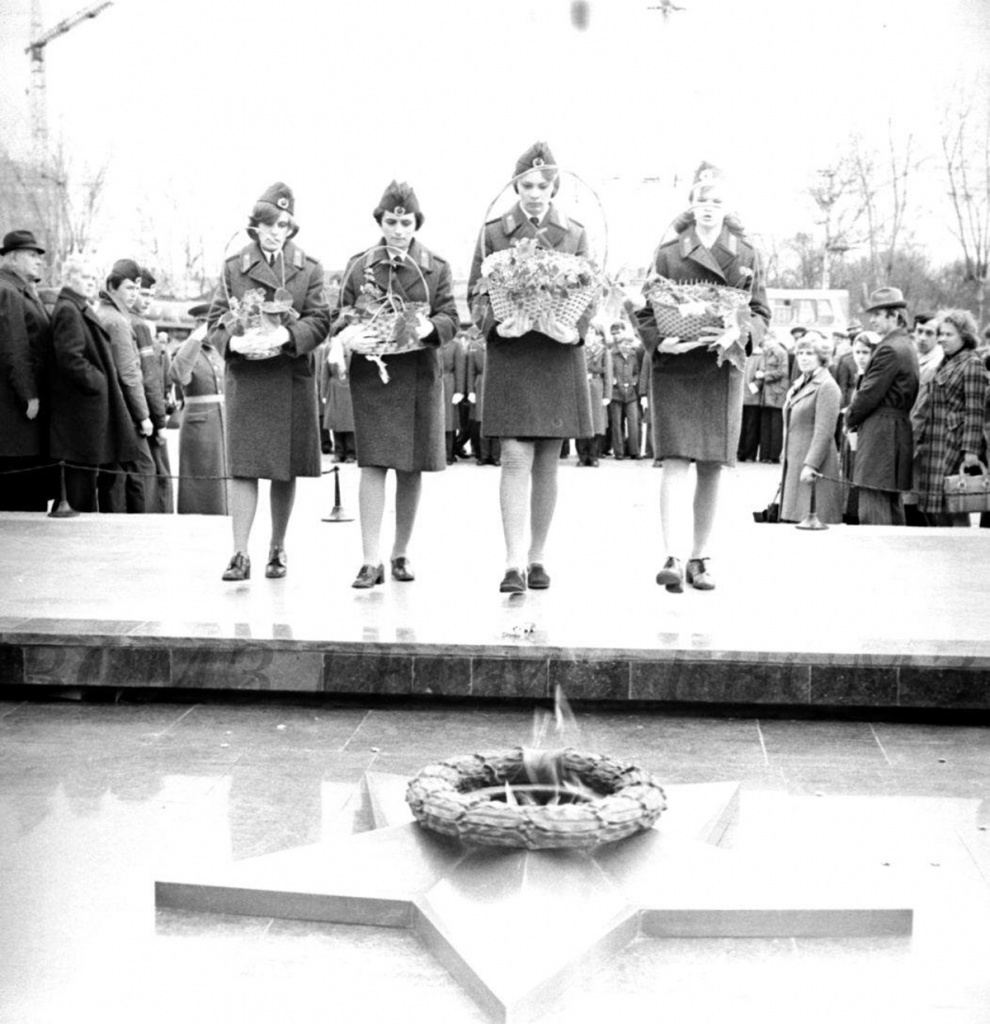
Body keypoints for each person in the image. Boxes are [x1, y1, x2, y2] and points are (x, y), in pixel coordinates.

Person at [634, 162, 770, 592]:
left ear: (727, 206)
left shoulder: (747, 254)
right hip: (676, 368)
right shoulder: (669, 252)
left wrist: (742, 332)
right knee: (673, 462)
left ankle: (700, 557)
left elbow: (762, 312)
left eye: (717, 201)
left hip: (720, 368)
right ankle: (672, 556)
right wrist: (659, 341)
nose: (709, 208)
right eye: (701, 200)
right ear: (690, 205)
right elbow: (646, 309)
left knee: (712, 466)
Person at [467, 141, 595, 592]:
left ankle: (539, 556)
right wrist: (496, 328)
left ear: (555, 185)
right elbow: (476, 293)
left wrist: (574, 329)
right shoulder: (493, 231)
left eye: (543, 184)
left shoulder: (575, 232)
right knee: (514, 455)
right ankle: (512, 561)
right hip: (514, 353)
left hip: (556, 354)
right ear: (516, 185)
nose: (535, 192)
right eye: (527, 184)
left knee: (548, 460)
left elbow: (589, 290)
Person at [335, 181, 458, 588]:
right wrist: (347, 337)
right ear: (380, 221)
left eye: (406, 221)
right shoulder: (359, 266)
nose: (399, 229)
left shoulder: (435, 267)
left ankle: (401, 552)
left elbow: (451, 319)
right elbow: (340, 316)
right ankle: (370, 560)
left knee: (411, 467)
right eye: (392, 221)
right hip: (374, 374)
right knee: (372, 464)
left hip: (419, 374)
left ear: (416, 223)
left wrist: (428, 326)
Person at [207, 181, 330, 581]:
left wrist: (288, 336)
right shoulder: (233, 267)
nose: (277, 231)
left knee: (285, 467)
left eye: (284, 224)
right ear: (255, 226)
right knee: (244, 468)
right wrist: (234, 341)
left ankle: (277, 548)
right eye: (269, 223)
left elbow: (321, 319)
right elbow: (215, 322)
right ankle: (239, 553)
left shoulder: (308, 267)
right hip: (248, 378)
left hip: (290, 376)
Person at [49, 255, 144, 511]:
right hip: (81, 413)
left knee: (85, 480)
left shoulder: (76, 306)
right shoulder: (69, 309)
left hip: (85, 411)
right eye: (85, 277)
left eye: (93, 277)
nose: (91, 282)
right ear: (70, 278)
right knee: (79, 484)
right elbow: (71, 359)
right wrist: (99, 382)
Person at [845, 286, 920, 525]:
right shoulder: (905, 345)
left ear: (895, 315)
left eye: (878, 314)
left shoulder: (889, 349)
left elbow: (867, 395)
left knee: (873, 507)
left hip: (880, 432)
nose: (872, 320)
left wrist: (849, 418)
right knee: (892, 506)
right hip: (895, 429)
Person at [913, 309, 989, 526]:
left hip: (955, 445)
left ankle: (960, 554)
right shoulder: (945, 362)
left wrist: (970, 452)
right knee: (941, 508)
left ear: (964, 336)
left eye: (948, 334)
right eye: (941, 333)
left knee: (956, 504)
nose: (941, 339)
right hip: (937, 444)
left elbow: (976, 412)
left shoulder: (971, 364)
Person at [96, 258, 156, 512]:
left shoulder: (104, 314)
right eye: (129, 288)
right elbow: (130, 374)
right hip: (126, 412)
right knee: (143, 471)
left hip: (111, 410)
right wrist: (144, 416)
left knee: (117, 475)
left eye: (136, 289)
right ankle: (141, 528)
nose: (134, 295)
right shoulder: (119, 322)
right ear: (112, 286)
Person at [0, 230, 51, 511]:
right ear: (13, 258)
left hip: (22, 415)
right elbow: (14, 348)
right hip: (17, 415)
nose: (38, 262)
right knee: (19, 499)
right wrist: (29, 395)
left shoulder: (22, 292)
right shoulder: (7, 291)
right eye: (32, 255)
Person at [169, 303, 229, 514]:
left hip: (223, 424)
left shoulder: (219, 352)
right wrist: (196, 337)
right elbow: (177, 374)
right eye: (208, 324)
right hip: (200, 427)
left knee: (224, 482)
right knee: (200, 483)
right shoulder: (187, 351)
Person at [779, 331, 843, 523]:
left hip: (812, 465)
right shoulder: (801, 383)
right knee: (796, 521)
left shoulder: (827, 386)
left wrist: (811, 465)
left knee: (813, 520)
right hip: (795, 462)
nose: (804, 358)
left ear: (822, 357)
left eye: (810, 353)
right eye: (801, 353)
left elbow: (824, 432)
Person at [130, 267, 174, 513]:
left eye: (150, 296)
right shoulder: (140, 326)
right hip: (146, 416)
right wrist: (160, 421)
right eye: (143, 294)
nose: (147, 300)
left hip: (131, 414)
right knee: (158, 480)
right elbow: (150, 380)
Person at [840, 330, 880, 524]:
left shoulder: (872, 377)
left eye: (865, 352)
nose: (861, 357)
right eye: (857, 352)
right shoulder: (861, 375)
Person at [576, 325, 611, 466]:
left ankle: (594, 456)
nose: (589, 334)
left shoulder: (603, 350)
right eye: (587, 331)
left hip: (596, 386)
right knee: (582, 422)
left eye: (592, 332)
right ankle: (582, 457)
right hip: (582, 386)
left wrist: (607, 395)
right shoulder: (578, 348)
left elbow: (608, 373)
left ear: (597, 335)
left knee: (597, 424)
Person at [755, 328, 788, 462]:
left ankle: (773, 456)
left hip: (777, 392)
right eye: (765, 340)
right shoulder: (766, 353)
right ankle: (764, 455)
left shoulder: (781, 352)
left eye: (768, 340)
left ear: (775, 339)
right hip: (767, 393)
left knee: (776, 426)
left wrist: (765, 375)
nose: (766, 343)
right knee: (766, 425)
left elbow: (783, 371)